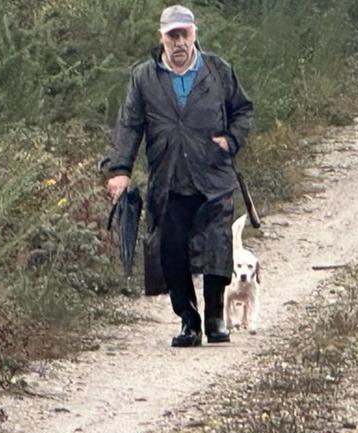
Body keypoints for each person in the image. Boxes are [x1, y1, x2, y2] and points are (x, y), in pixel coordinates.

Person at [100, 5, 253, 347]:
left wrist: (230, 140)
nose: (179, 42)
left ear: (194, 34)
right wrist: (120, 170)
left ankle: (215, 318)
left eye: (184, 34)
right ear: (162, 38)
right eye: (172, 35)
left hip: (213, 173)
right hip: (169, 178)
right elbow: (129, 124)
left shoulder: (217, 71)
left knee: (217, 244)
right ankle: (189, 320)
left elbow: (242, 110)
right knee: (170, 249)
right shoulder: (144, 77)